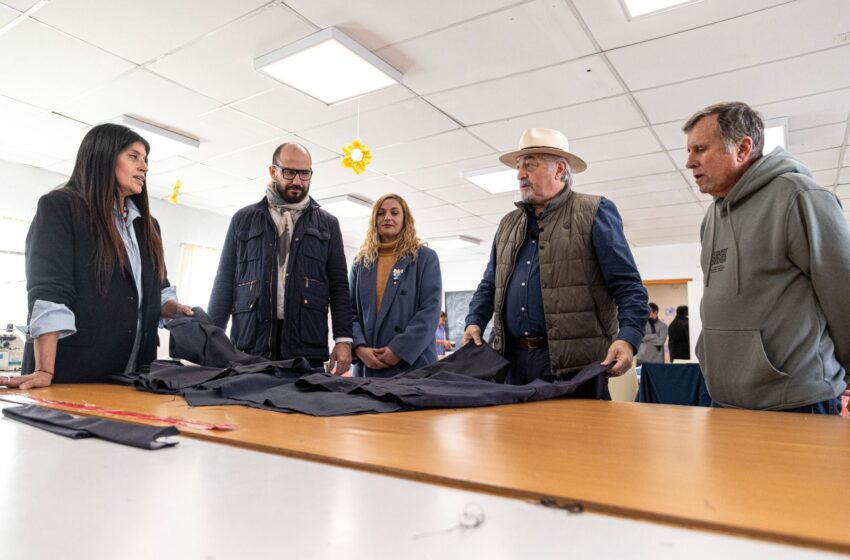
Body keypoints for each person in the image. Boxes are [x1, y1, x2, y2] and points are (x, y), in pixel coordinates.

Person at [684, 101, 850, 413]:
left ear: (743, 148)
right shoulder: (712, 217)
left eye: (700, 149)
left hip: (796, 401)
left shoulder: (799, 196)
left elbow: (844, 295)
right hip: (724, 400)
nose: (689, 162)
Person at [3, 124, 193, 390]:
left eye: (146, 159)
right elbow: (49, 294)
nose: (145, 167)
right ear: (103, 156)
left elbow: (156, 289)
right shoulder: (62, 207)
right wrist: (44, 369)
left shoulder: (148, 226)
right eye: (134, 156)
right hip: (74, 370)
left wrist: (175, 308)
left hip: (135, 373)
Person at [463, 128, 649, 396]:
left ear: (560, 169)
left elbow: (628, 286)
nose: (520, 174)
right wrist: (474, 321)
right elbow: (489, 284)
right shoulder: (507, 224)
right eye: (518, 166)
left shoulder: (595, 211)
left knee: (577, 438)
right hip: (511, 366)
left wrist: (628, 337)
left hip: (575, 370)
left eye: (530, 164)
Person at [208, 142, 352, 373]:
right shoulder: (243, 220)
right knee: (247, 408)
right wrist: (211, 337)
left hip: (306, 345)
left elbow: (339, 287)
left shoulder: (328, 225)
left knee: (302, 408)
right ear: (273, 171)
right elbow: (225, 281)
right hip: (251, 344)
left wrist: (343, 339)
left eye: (304, 173)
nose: (297, 181)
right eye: (289, 172)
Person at [349, 194, 442, 377]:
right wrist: (359, 348)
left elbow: (430, 312)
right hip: (369, 366)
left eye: (394, 212)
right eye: (381, 213)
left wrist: (399, 350)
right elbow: (349, 312)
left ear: (404, 219)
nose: (387, 218)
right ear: (374, 220)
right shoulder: (360, 263)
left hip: (412, 365)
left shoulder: (424, 258)